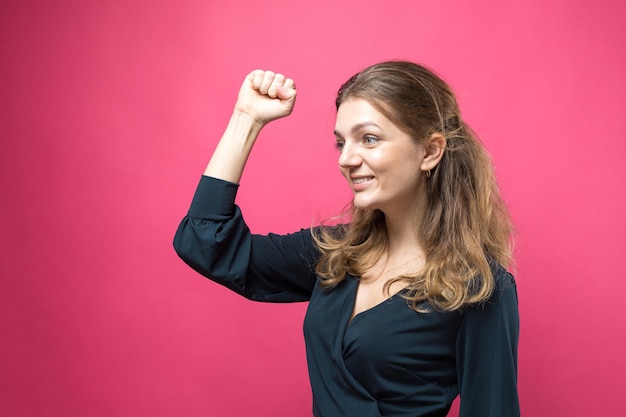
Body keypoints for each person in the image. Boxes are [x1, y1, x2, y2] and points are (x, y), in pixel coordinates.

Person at [173, 61, 520, 417]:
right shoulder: (336, 253)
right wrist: (246, 119)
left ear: (430, 151)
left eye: (368, 139)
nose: (346, 159)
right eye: (341, 142)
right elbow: (205, 242)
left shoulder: (479, 286)